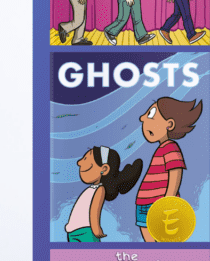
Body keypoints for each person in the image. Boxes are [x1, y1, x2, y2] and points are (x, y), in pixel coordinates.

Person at [135, 97, 202, 241]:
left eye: (151, 114)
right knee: (150, 244)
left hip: (158, 203)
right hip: (143, 203)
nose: (142, 118)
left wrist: (168, 200)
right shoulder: (161, 148)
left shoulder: (170, 147)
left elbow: (175, 171)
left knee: (163, 242)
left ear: (169, 124)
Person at [65, 146, 142, 241]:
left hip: (86, 232)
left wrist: (96, 229)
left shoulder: (100, 190)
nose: (79, 162)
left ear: (104, 169)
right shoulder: (90, 189)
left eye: (85, 159)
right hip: (73, 232)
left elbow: (94, 209)